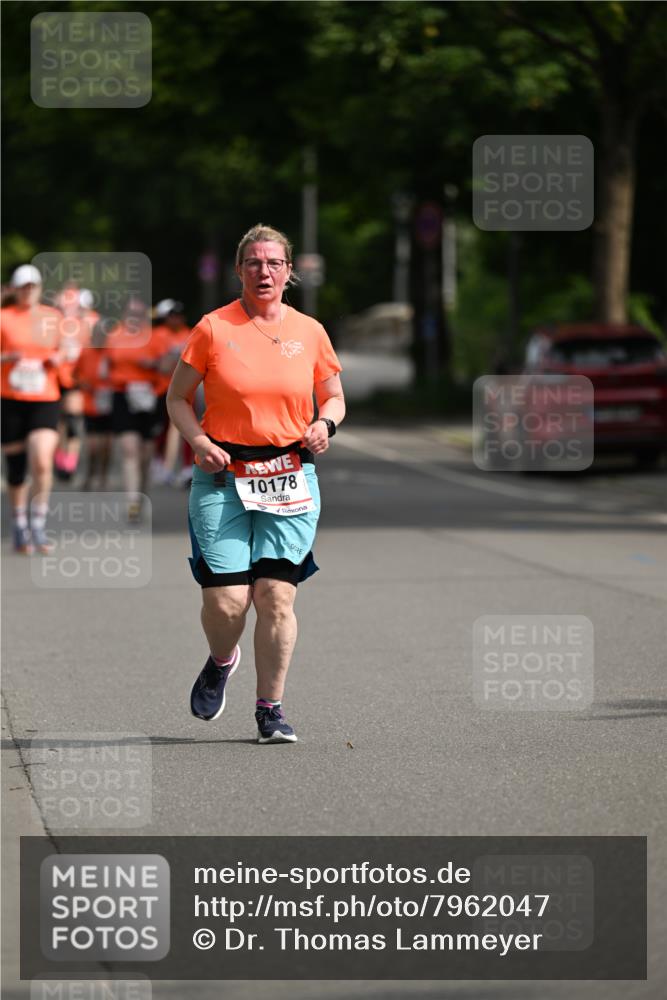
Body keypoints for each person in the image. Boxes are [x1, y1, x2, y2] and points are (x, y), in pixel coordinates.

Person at [167, 224, 345, 743]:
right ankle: (222, 659)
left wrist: (324, 425)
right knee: (227, 603)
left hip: (289, 475)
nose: (263, 272)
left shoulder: (310, 331)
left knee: (276, 597)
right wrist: (198, 441)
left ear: (289, 272)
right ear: (239, 270)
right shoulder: (212, 328)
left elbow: (334, 396)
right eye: (253, 263)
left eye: (274, 263)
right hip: (223, 474)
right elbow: (177, 398)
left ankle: (271, 709)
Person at [1, 264, 64, 553]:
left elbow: (68, 351)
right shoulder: (4, 317)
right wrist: (7, 357)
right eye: (23, 286)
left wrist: (56, 358)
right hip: (11, 397)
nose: (28, 291)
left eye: (33, 286)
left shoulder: (53, 318)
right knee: (16, 468)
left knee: (41, 460)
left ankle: (38, 524)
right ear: (14, 289)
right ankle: (19, 523)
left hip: (45, 396)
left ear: (39, 289)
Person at [106, 298, 164, 521]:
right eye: (131, 312)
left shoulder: (154, 336)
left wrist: (153, 364)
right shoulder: (115, 333)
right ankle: (131, 501)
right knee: (130, 449)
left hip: (149, 395)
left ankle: (141, 497)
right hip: (123, 394)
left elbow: (170, 364)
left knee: (146, 455)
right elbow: (108, 361)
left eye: (139, 313)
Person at [149, 299, 191, 485]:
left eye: (179, 316)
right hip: (163, 389)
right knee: (163, 429)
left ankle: (182, 467)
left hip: (185, 390)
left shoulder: (188, 334)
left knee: (184, 428)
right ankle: (160, 461)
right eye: (172, 316)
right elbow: (161, 365)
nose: (176, 319)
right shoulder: (158, 335)